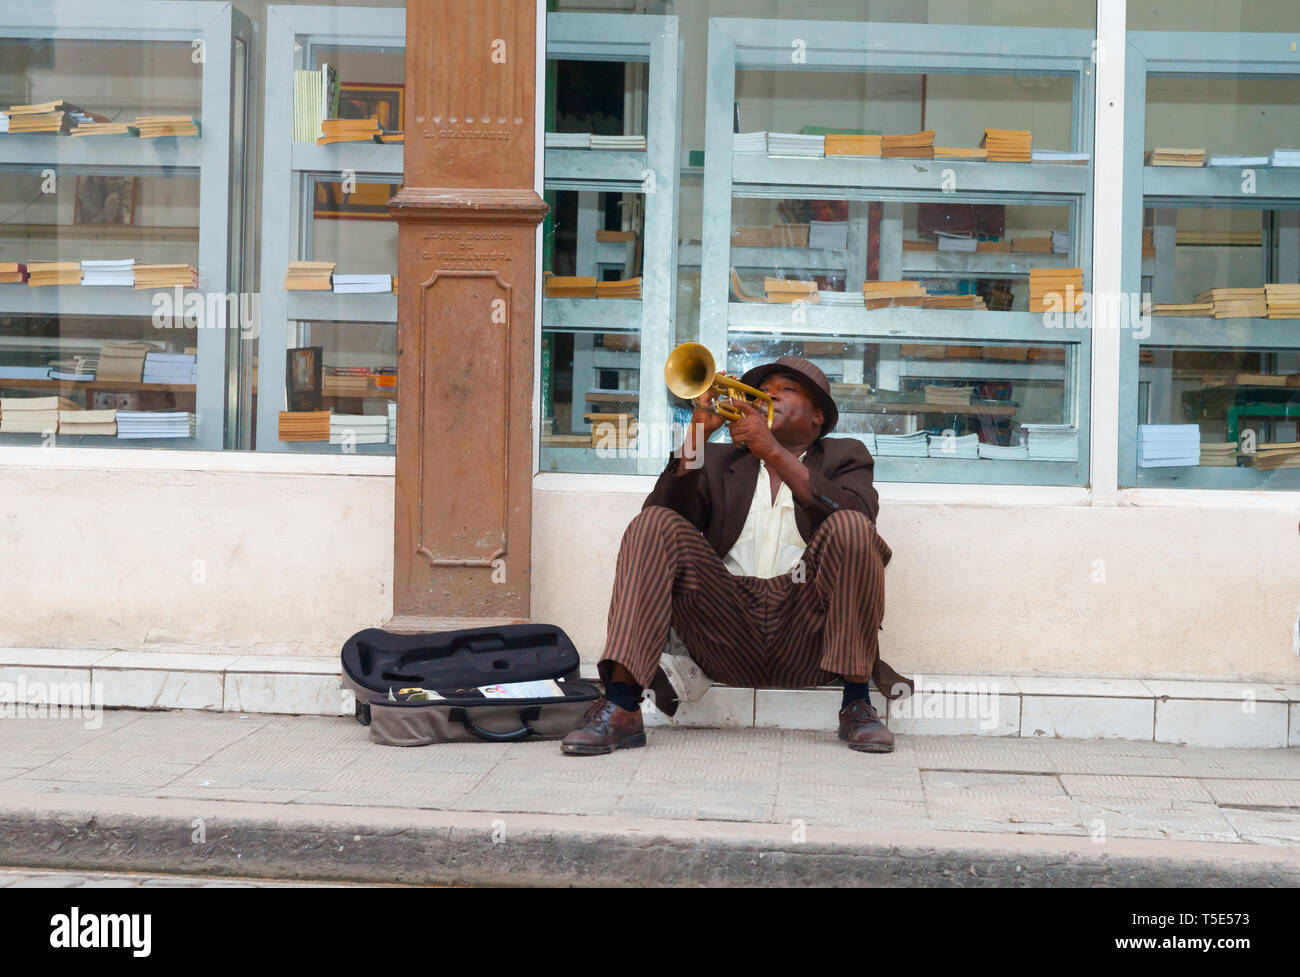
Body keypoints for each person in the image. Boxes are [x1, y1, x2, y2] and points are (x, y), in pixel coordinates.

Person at [561, 355, 912, 757]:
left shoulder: (846, 455)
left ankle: (856, 704)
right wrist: (698, 432)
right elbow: (660, 515)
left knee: (852, 528)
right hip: (723, 631)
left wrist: (774, 451)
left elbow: (856, 514)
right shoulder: (721, 462)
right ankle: (622, 708)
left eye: (787, 389)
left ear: (817, 416)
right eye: (765, 389)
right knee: (654, 523)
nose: (769, 395)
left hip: (809, 638)